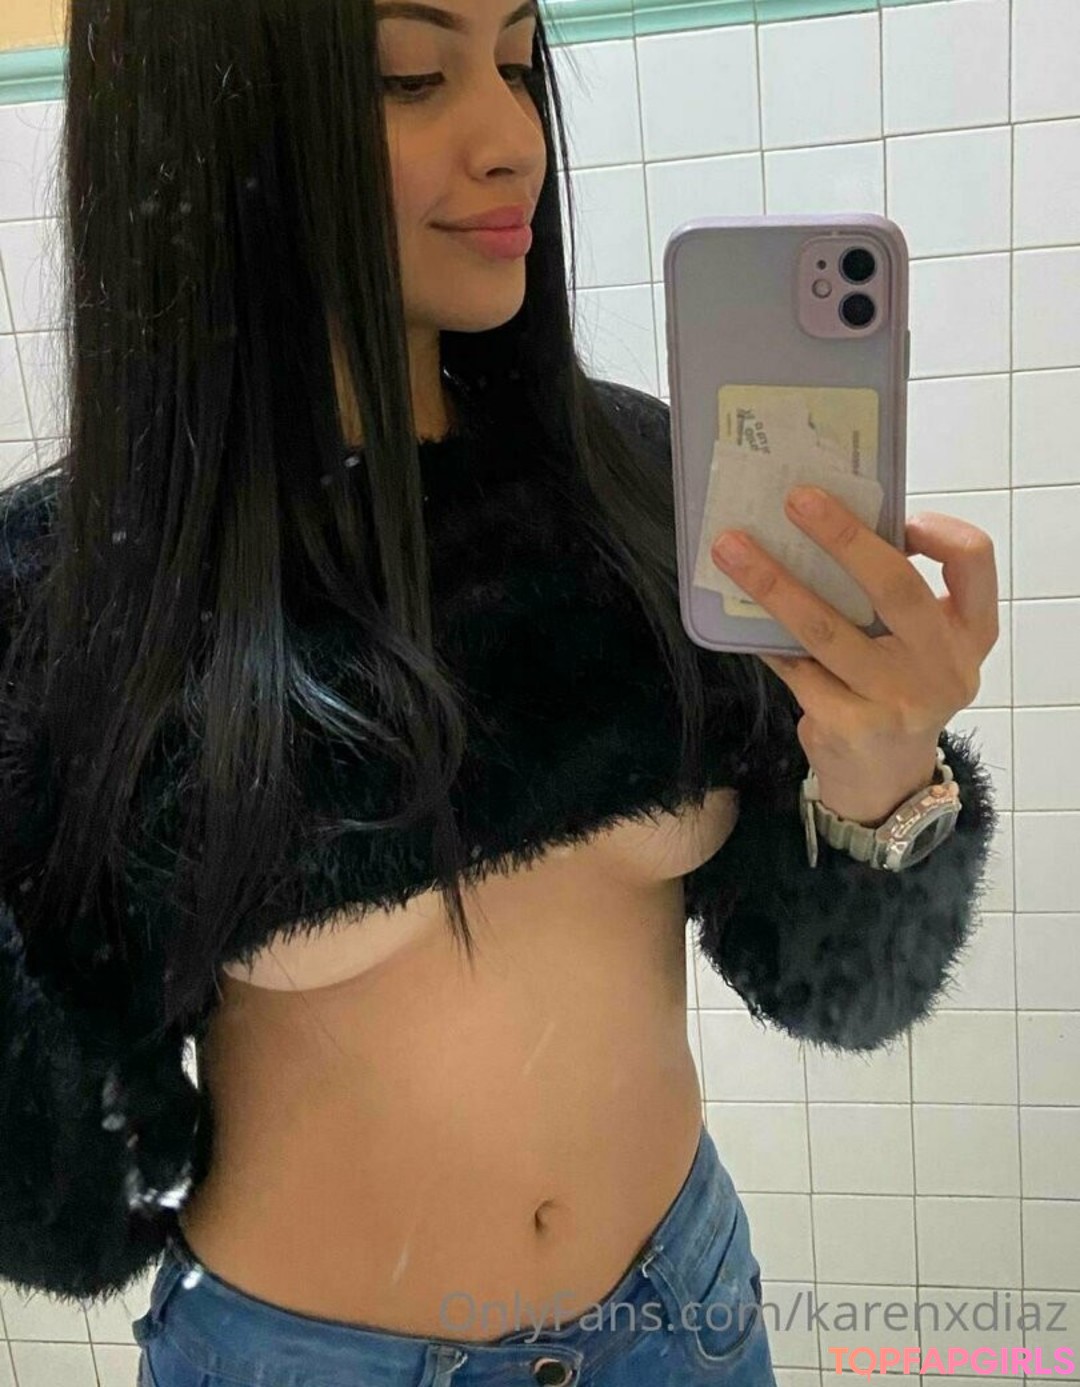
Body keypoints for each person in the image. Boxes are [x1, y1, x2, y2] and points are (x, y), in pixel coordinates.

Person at [0, 1, 999, 1384]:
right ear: (214, 122)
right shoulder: (77, 598)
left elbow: (843, 991)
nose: (511, 137)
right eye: (411, 76)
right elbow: (60, 1193)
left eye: (521, 64)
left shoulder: (643, 490)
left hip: (683, 1319)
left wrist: (887, 774)